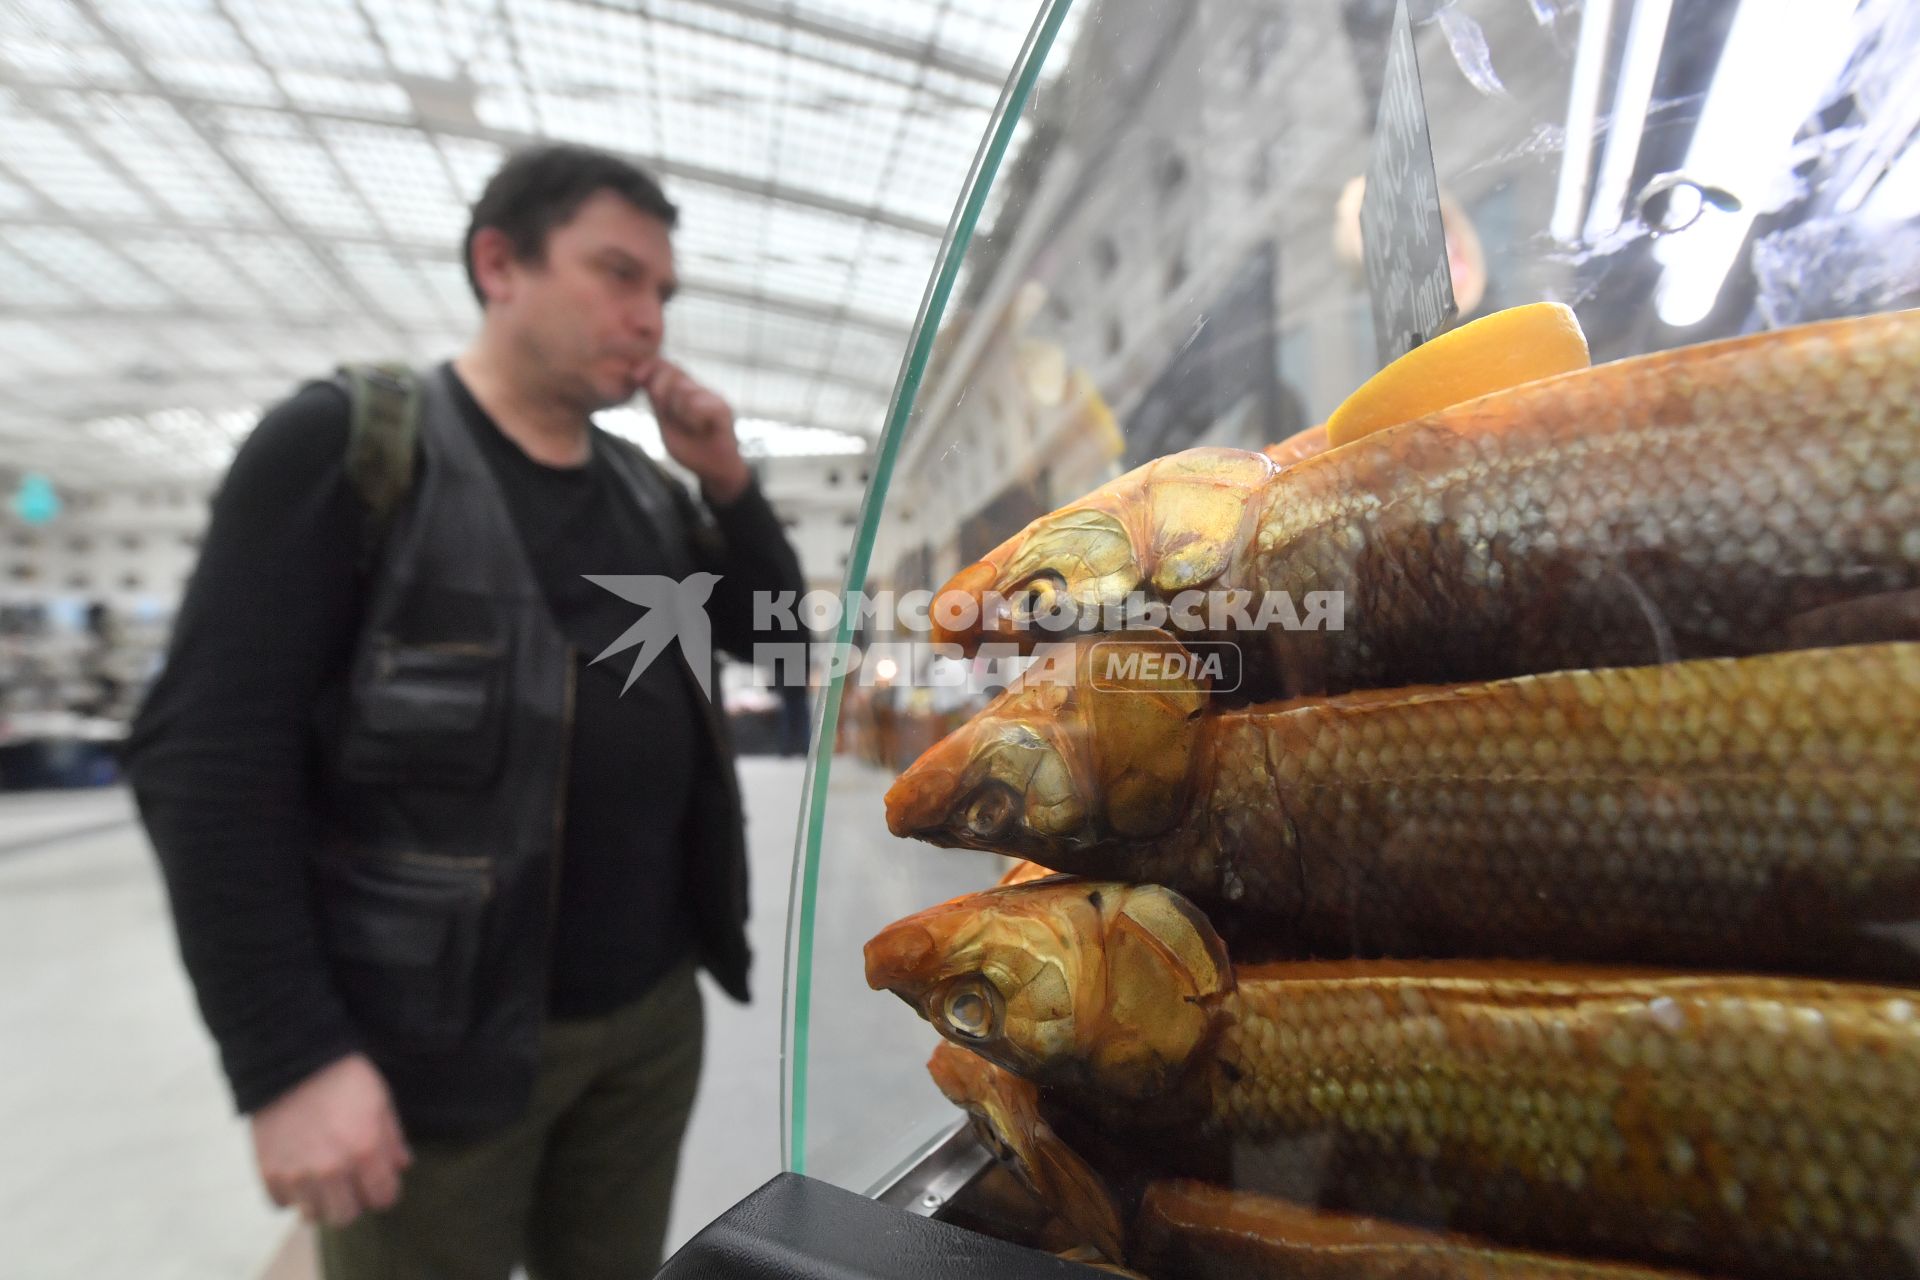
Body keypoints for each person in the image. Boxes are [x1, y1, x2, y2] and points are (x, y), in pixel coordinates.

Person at [126, 144, 806, 1279]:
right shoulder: (351, 448)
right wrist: (288, 1057)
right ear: (500, 262)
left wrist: (726, 480)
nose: (649, 318)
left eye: (663, 293)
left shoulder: (644, 491)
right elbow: (206, 753)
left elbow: (777, 635)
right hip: (434, 1049)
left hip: (645, 1024)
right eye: (617, 274)